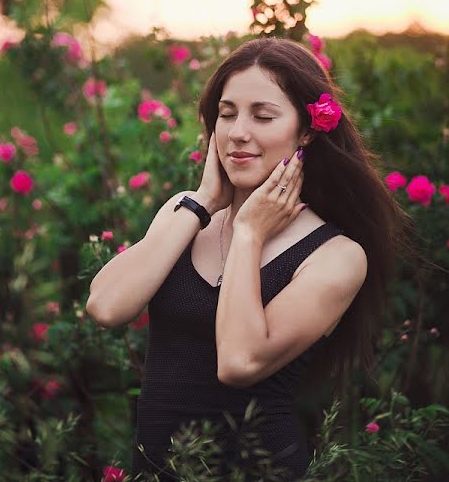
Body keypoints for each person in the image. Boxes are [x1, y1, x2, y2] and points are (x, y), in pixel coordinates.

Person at [86, 37, 411, 480]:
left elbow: (239, 362)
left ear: (307, 131)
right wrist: (202, 202)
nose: (238, 131)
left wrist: (249, 233)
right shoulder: (187, 213)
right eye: (226, 113)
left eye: (263, 116)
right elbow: (106, 307)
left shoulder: (335, 256)